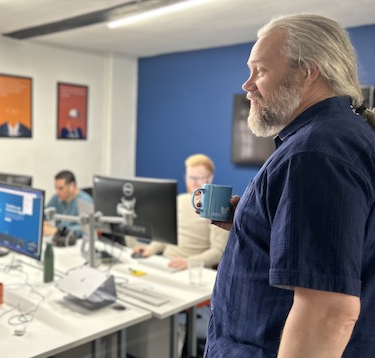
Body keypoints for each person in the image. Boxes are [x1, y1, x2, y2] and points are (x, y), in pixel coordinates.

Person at [205, 15, 375, 357]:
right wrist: (250, 222)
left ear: (306, 72)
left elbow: (328, 313)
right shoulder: (336, 139)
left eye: (260, 71)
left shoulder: (315, 153)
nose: (247, 84)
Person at [132, 154, 229, 269]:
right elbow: (165, 238)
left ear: (210, 178)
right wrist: (150, 249)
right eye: (190, 177)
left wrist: (188, 262)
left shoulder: (218, 207)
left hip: (192, 269)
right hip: (166, 262)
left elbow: (218, 252)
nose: (194, 182)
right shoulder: (179, 200)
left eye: (199, 178)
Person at [44, 170, 93, 238]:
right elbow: (45, 215)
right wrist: (44, 224)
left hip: (75, 242)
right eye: (56, 188)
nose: (57, 192)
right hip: (59, 239)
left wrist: (58, 231)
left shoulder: (85, 201)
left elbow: (84, 230)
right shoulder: (57, 198)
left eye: (61, 188)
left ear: (72, 186)